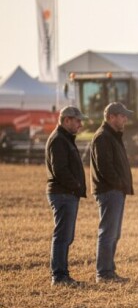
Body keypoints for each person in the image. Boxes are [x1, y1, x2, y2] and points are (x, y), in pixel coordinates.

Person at [89, 102, 135, 283]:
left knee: (114, 233)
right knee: (108, 232)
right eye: (122, 116)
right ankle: (104, 273)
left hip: (115, 190)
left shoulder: (112, 136)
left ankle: (109, 270)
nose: (125, 119)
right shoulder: (103, 137)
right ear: (111, 117)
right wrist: (119, 184)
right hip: (109, 191)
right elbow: (104, 167)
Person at [45, 106, 87, 287]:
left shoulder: (65, 139)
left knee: (65, 236)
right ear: (67, 120)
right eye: (77, 120)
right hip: (63, 193)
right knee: (62, 236)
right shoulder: (59, 140)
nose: (80, 124)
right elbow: (59, 169)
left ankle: (62, 274)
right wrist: (75, 185)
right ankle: (59, 276)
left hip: (67, 193)